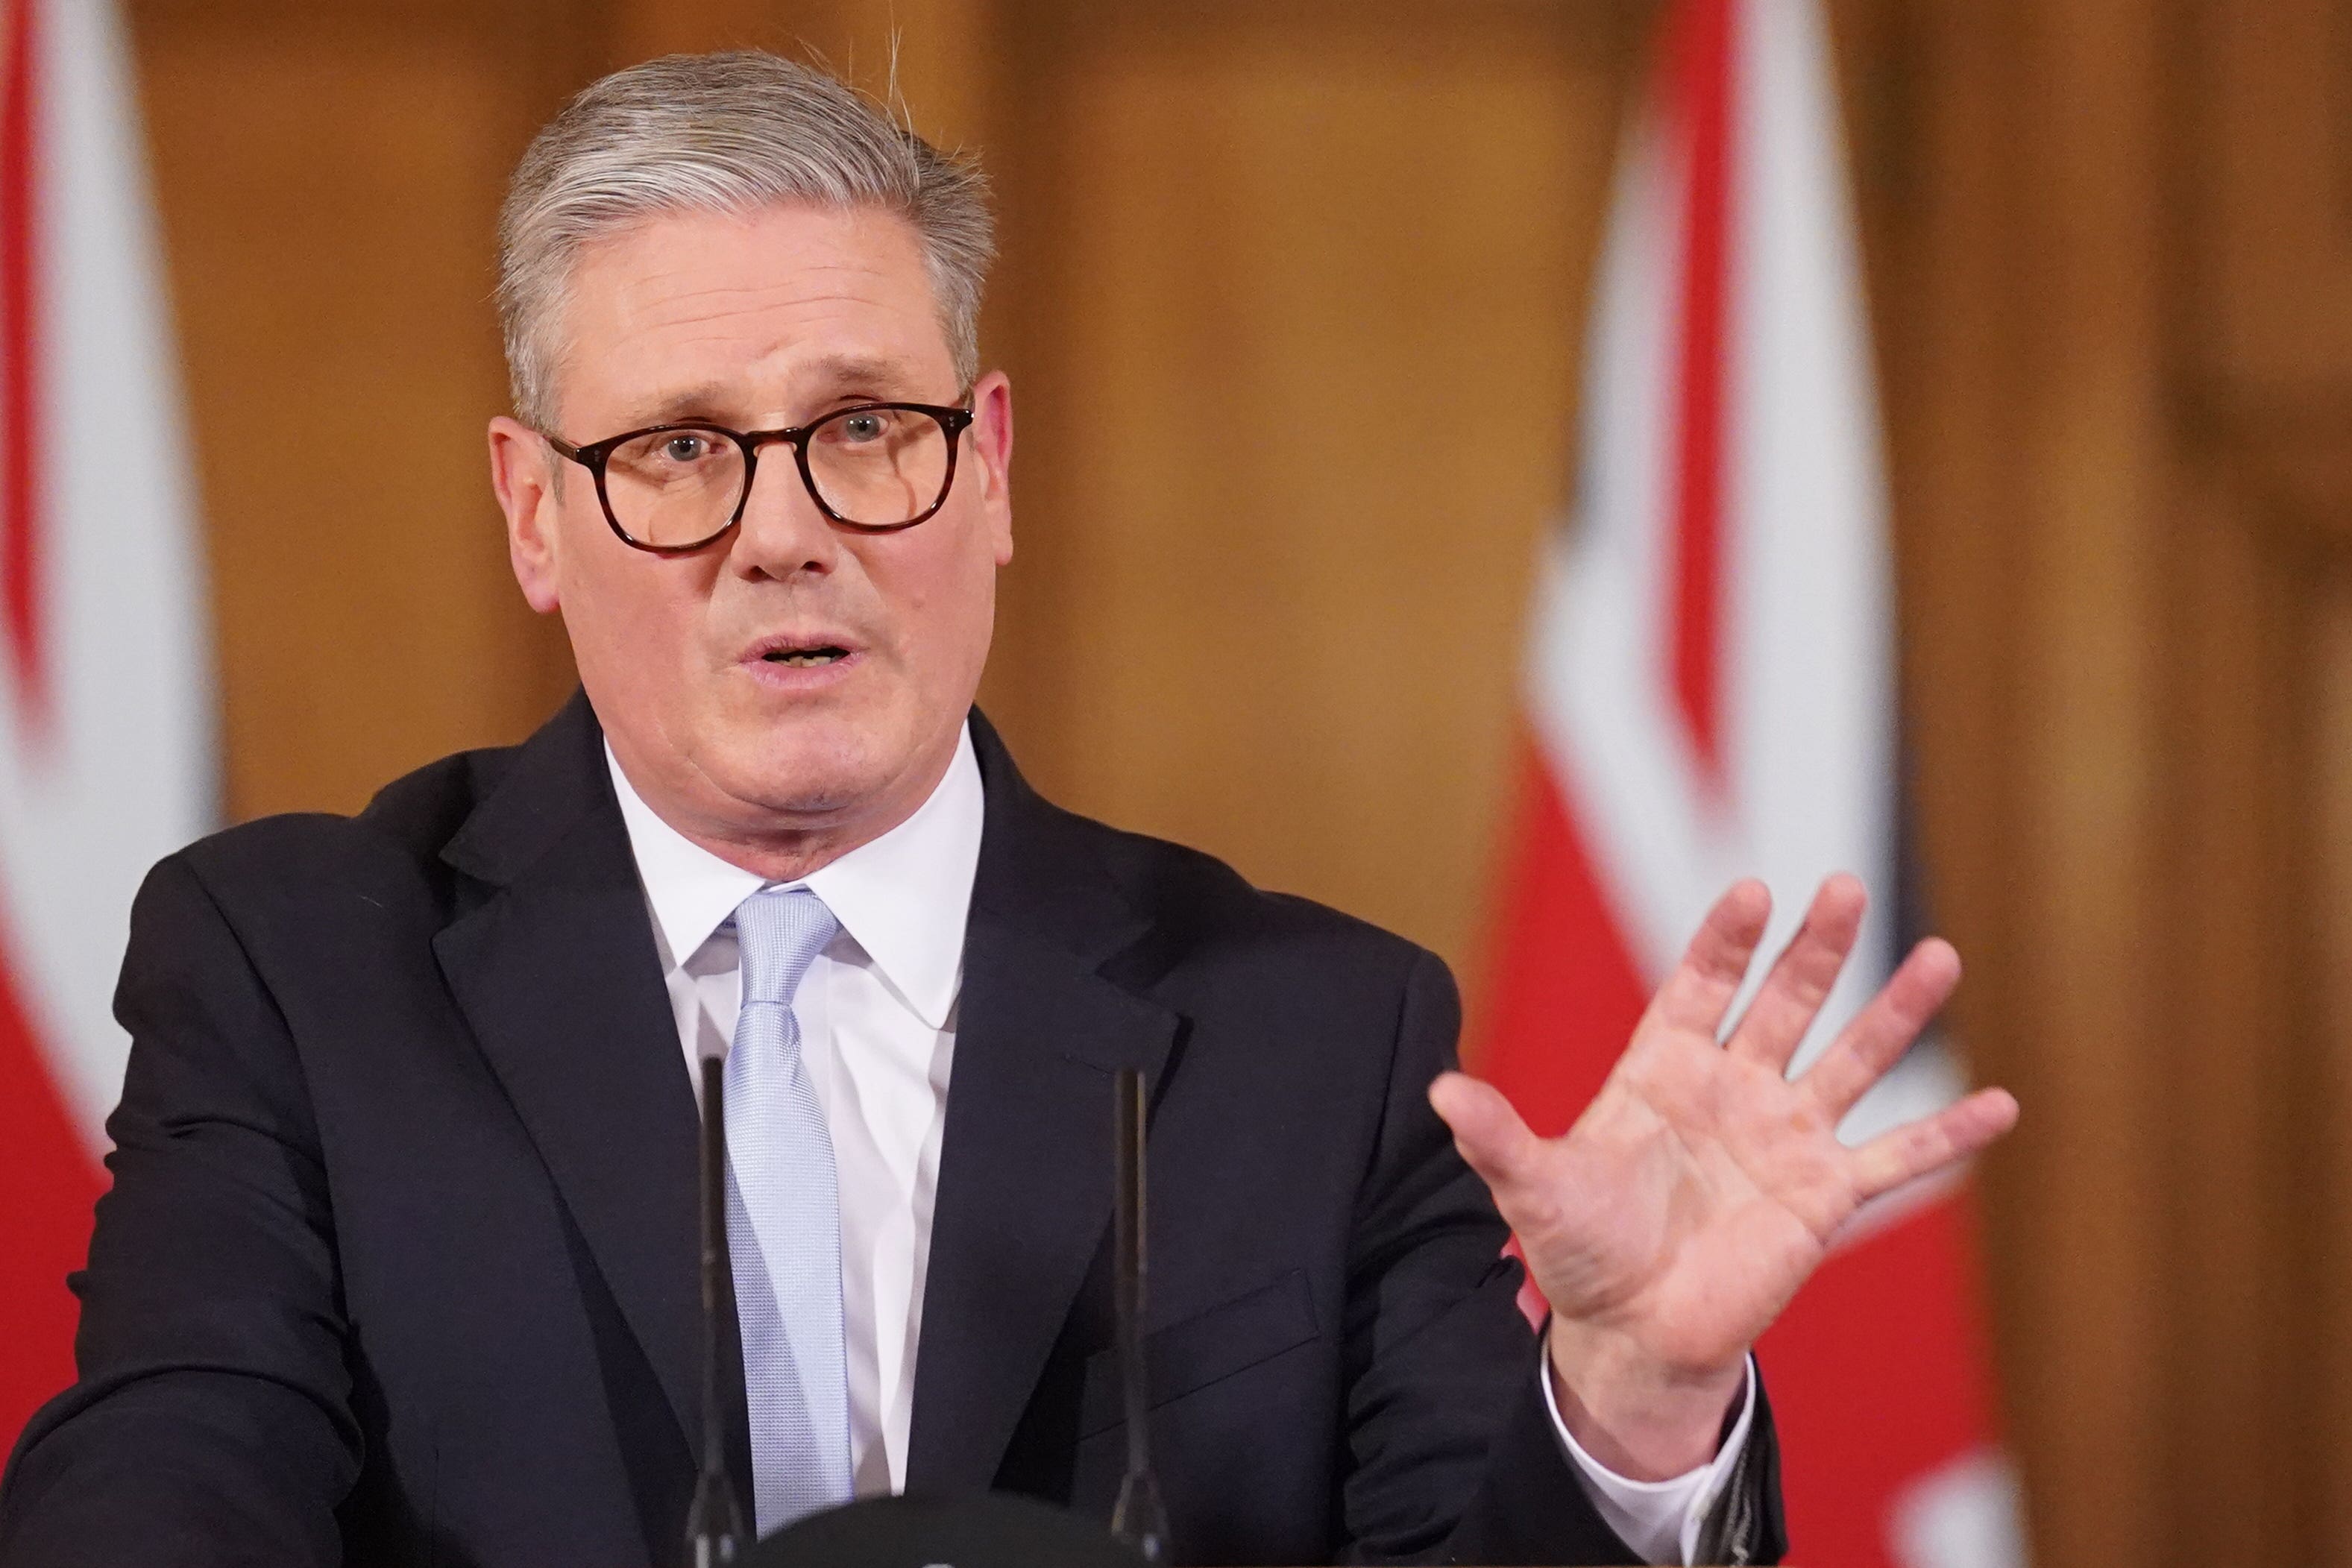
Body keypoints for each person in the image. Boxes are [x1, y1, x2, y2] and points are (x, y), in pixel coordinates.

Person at [0, 51, 2016, 1568]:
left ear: (990, 470)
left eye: (865, 429)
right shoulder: (305, 967)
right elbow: (175, 1472)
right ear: (536, 513)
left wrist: (1636, 1403)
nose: (783, 534)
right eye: (681, 452)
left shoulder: (1308, 1032)